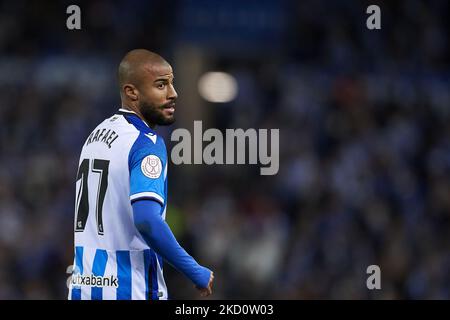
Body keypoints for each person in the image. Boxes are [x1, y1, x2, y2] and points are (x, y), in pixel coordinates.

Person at [68, 49, 214, 300]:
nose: (173, 93)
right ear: (131, 92)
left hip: (84, 288)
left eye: (171, 83)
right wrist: (195, 270)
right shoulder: (146, 143)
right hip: (129, 290)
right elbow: (147, 219)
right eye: (161, 85)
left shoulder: (95, 136)